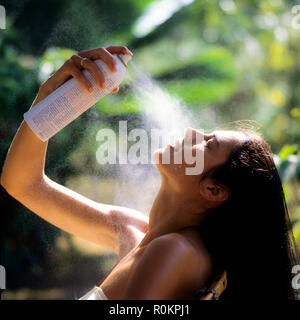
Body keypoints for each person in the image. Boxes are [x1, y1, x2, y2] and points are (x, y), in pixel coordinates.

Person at [1, 45, 298, 300]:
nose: (193, 131)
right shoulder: (134, 232)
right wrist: (50, 98)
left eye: (208, 143)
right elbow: (22, 183)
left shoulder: (174, 251)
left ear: (214, 190)